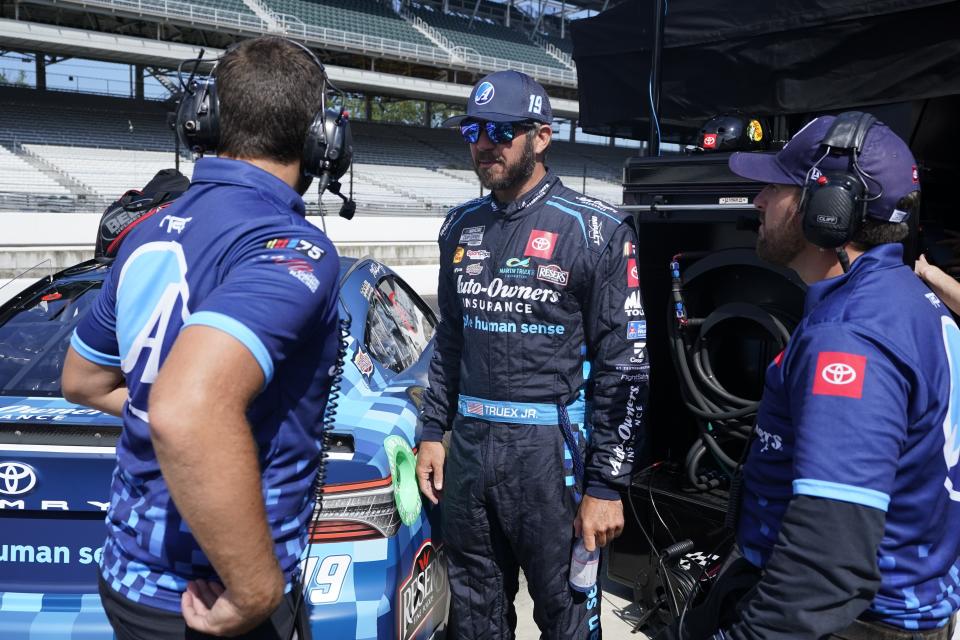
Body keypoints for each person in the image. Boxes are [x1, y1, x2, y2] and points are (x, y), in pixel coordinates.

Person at [61, 36, 341, 639]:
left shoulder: (145, 231)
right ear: (323, 139)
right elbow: (186, 408)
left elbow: (82, 381)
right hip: (213, 599)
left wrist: (192, 418)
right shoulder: (292, 246)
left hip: (127, 576)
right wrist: (257, 589)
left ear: (205, 119)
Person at [674, 113, 960, 640]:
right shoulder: (909, 302)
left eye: (775, 186)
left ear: (829, 208)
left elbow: (827, 565)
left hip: (849, 625)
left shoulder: (850, 336)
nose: (758, 201)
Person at [414, 70, 649, 639]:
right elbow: (451, 338)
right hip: (468, 451)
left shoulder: (596, 230)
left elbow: (627, 364)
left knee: (566, 618)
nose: (483, 143)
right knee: (472, 615)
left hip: (551, 458)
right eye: (473, 129)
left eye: (501, 130)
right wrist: (431, 430)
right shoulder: (459, 226)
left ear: (541, 137)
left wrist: (605, 486)